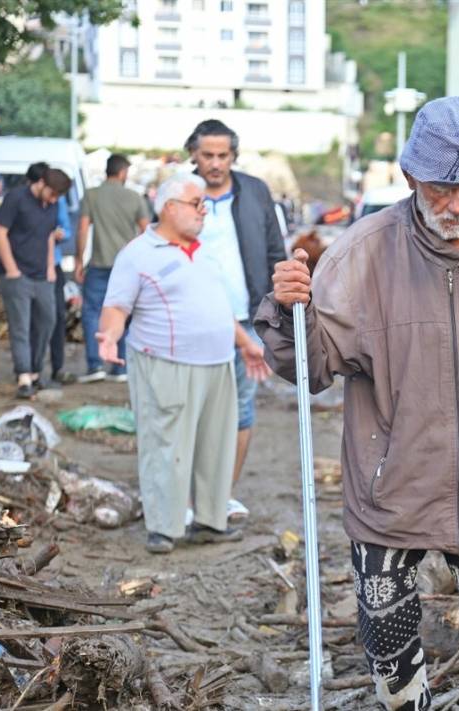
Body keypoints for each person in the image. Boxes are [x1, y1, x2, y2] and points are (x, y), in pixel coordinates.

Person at [256, 97, 459, 710]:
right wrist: (287, 311)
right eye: (442, 189)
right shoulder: (362, 253)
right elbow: (312, 369)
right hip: (392, 490)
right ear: (410, 177)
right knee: (389, 648)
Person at [95, 174, 270, 554]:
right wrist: (109, 336)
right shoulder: (138, 253)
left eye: (205, 204)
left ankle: (209, 520)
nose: (203, 211)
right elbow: (116, 306)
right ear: (169, 206)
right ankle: (163, 527)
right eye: (196, 203)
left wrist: (244, 345)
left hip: (218, 364)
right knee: (166, 445)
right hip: (166, 364)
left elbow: (219, 305)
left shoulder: (204, 250)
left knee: (216, 445)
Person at [185, 119, 286, 524]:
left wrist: (277, 309)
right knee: (193, 408)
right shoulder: (181, 192)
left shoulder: (254, 192)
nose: (214, 163)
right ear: (193, 154)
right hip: (192, 323)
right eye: (207, 155)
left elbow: (276, 251)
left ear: (233, 156)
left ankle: (223, 495)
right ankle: (190, 500)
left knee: (242, 407)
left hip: (246, 320)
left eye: (222, 155)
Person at [0, 166, 71, 398]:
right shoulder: (16, 199)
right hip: (17, 275)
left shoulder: (52, 204)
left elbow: (48, 235)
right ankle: (24, 376)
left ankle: (37, 371)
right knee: (21, 327)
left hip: (43, 275)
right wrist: (11, 269)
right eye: (52, 194)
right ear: (42, 184)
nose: (54, 200)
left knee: (48, 321)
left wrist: (50, 268)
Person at [76, 153, 150, 383]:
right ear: (122, 172)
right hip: (127, 268)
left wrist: (79, 260)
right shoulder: (134, 197)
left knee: (92, 313)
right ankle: (120, 367)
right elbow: (147, 232)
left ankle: (95, 365)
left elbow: (83, 229)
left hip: (99, 264)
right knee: (124, 313)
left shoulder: (92, 195)